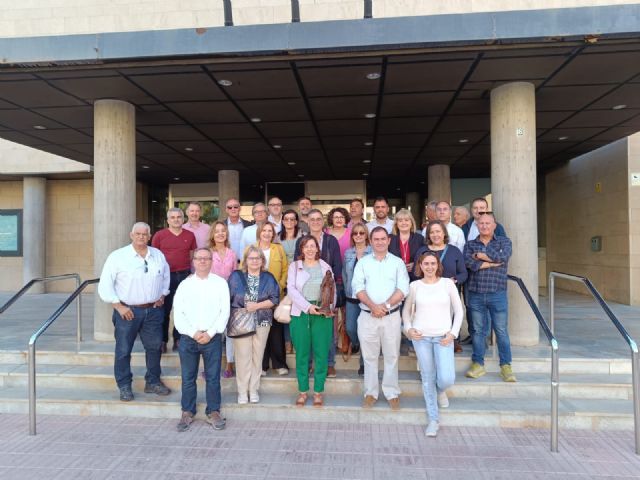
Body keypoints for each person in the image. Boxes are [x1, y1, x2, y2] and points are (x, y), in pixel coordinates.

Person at [97, 222, 171, 402]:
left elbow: (165, 276)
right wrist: (118, 306)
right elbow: (105, 284)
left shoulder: (158, 255)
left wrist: (162, 294)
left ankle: (152, 382)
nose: (141, 237)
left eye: (145, 234)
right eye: (137, 234)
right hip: (127, 312)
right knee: (123, 350)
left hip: (153, 311)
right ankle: (124, 386)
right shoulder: (118, 256)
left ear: (149, 235)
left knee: (154, 348)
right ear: (131, 235)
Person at [403, 251, 463, 437]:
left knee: (446, 378)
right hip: (421, 337)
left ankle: (441, 390)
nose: (429, 267)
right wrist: (409, 329)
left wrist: (453, 334)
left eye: (433, 263)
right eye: (425, 264)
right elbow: (406, 312)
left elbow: (459, 311)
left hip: (443, 337)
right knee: (427, 377)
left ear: (438, 265)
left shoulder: (448, 284)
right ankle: (433, 420)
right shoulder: (415, 286)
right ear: (420, 266)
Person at [352, 226, 410, 410]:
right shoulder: (362, 262)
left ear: (388, 240)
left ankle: (392, 392)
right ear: (371, 241)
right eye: (375, 239)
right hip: (367, 316)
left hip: (391, 317)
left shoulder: (397, 263)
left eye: (382, 238)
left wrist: (384, 306)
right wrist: (373, 306)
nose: (379, 242)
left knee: (391, 355)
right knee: (369, 357)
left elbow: (403, 289)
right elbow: (358, 288)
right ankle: (370, 393)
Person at [173, 248, 229, 432]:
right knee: (188, 377)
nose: (203, 261)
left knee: (213, 378)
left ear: (211, 261)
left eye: (206, 258)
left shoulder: (220, 284)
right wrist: (193, 332)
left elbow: (224, 311)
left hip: (212, 338)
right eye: (199, 258)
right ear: (194, 261)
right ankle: (187, 411)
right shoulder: (185, 285)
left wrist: (211, 332)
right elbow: (178, 312)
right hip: (189, 338)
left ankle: (213, 411)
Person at [464, 212, 516, 382]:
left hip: (497, 293)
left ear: (494, 225)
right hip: (476, 293)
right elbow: (470, 264)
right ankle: (478, 364)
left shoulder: (504, 241)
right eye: (481, 223)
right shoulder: (470, 244)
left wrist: (482, 257)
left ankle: (506, 366)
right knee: (478, 331)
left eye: (488, 223)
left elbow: (504, 257)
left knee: (501, 330)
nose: (484, 226)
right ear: (477, 226)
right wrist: (493, 263)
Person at [287, 236, 336, 407]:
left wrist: (328, 307)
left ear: (317, 248)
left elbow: (332, 290)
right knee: (302, 354)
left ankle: (318, 392)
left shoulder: (325, 266)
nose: (309, 249)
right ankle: (302, 391)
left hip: (322, 315)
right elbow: (291, 290)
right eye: (306, 246)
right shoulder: (295, 266)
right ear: (301, 249)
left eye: (312, 246)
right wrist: (307, 307)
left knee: (322, 354)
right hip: (301, 314)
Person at [294, 209, 342, 377]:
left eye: (318, 219)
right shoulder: (301, 240)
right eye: (312, 219)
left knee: (326, 331)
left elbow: (336, 264)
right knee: (307, 333)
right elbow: (297, 263)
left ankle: (329, 363)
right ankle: (307, 364)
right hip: (306, 292)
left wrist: (330, 291)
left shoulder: (331, 240)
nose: (315, 222)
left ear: (323, 222)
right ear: (307, 221)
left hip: (327, 291)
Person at [228, 246, 280, 404]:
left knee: (258, 356)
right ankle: (242, 391)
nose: (255, 261)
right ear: (245, 260)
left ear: (262, 261)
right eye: (251, 258)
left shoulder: (268, 277)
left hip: (262, 320)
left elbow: (275, 298)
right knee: (243, 356)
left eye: (258, 258)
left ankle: (253, 389)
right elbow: (228, 298)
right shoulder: (236, 276)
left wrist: (256, 306)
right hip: (241, 320)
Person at [415, 220, 468, 352]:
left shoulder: (454, 251)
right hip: (426, 293)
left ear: (444, 233)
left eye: (438, 231)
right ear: (428, 235)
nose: (435, 235)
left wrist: (454, 280)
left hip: (447, 294)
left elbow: (463, 273)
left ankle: (452, 340)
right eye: (432, 232)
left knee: (449, 318)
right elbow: (415, 273)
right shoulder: (422, 251)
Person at [152, 207, 197, 352]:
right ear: (168, 220)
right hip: (165, 277)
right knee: (164, 309)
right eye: (173, 217)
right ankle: (163, 340)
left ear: (183, 219)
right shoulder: (159, 235)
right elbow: (154, 257)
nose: (176, 219)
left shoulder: (190, 235)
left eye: (179, 217)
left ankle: (178, 339)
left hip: (184, 275)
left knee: (182, 309)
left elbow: (191, 256)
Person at [246, 222, 289, 376]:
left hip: (275, 297)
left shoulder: (278, 249)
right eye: (264, 230)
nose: (266, 233)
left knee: (276, 332)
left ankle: (279, 364)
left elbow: (285, 269)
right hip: (256, 298)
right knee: (259, 332)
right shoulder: (251, 249)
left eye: (270, 231)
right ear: (259, 232)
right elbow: (243, 270)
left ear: (273, 234)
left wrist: (280, 285)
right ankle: (262, 365)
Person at [207, 221, 238, 378]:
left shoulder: (232, 253)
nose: (220, 233)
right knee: (213, 332)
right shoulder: (207, 253)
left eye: (223, 231)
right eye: (217, 231)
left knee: (229, 333)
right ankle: (210, 366)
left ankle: (229, 364)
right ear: (212, 234)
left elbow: (236, 276)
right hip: (212, 298)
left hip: (230, 298)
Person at [342, 223, 371, 376]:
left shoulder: (373, 252)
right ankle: (357, 343)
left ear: (366, 235)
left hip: (368, 298)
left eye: (361, 233)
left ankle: (364, 364)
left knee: (365, 332)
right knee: (351, 328)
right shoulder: (348, 253)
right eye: (355, 233)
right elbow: (345, 274)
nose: (358, 235)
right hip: (351, 296)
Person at [280, 209, 304, 354]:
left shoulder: (303, 236)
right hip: (283, 277)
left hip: (298, 277)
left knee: (298, 311)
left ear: (296, 221)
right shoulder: (277, 238)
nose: (289, 222)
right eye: (286, 219)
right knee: (285, 310)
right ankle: (287, 341)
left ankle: (296, 341)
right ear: (283, 222)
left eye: (292, 219)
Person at [389, 209, 424, 282]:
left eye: (406, 220)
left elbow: (425, 256)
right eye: (400, 220)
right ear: (396, 223)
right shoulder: (389, 238)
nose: (403, 223)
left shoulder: (419, 238)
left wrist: (415, 264)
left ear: (411, 222)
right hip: (394, 278)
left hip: (415, 278)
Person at [224, 197, 251, 262]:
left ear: (240, 208)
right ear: (226, 210)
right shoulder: (221, 225)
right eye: (229, 207)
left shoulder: (249, 225)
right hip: (226, 262)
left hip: (245, 262)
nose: (233, 209)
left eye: (235, 207)